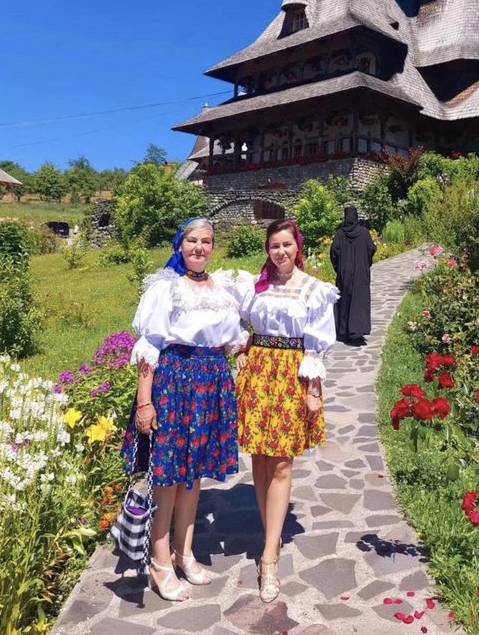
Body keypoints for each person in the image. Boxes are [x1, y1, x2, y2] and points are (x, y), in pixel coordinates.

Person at [121, 217, 249, 601]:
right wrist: (145, 401)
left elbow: (231, 341)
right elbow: (151, 345)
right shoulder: (167, 289)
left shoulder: (223, 288)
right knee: (169, 477)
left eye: (206, 241)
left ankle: (184, 553)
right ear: (180, 245)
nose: (199, 247)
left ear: (213, 246)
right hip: (174, 384)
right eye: (192, 240)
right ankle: (159, 563)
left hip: (211, 384)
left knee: (193, 477)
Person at [235, 219, 339, 603]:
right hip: (259, 372)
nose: (280, 252)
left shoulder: (314, 291)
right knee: (260, 460)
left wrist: (313, 389)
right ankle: (271, 537)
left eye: (287, 245)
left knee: (282, 463)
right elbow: (239, 323)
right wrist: (242, 350)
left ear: (298, 248)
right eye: (274, 246)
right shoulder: (256, 287)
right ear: (268, 250)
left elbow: (317, 345)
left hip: (292, 375)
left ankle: (268, 560)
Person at [330, 206, 376, 345]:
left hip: (345, 272)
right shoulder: (364, 232)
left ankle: (344, 331)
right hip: (361, 272)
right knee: (359, 300)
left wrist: (339, 267)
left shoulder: (340, 234)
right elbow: (371, 249)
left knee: (345, 300)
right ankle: (358, 330)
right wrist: (365, 262)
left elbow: (333, 253)